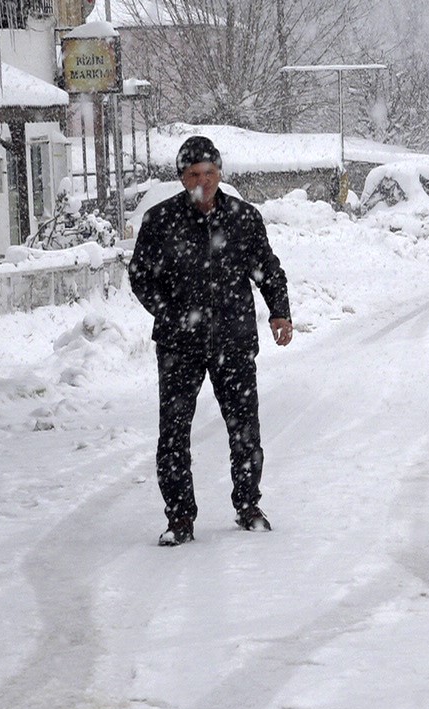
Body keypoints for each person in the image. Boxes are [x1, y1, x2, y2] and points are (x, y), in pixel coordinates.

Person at [129, 136, 294, 547]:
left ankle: (248, 505)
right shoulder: (160, 220)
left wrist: (279, 311)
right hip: (179, 346)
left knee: (245, 429)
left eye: (209, 173)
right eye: (193, 175)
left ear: (220, 173)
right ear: (181, 178)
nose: (202, 181)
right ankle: (180, 517)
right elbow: (140, 277)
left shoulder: (243, 219)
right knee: (173, 434)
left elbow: (267, 269)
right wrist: (171, 315)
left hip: (233, 341)